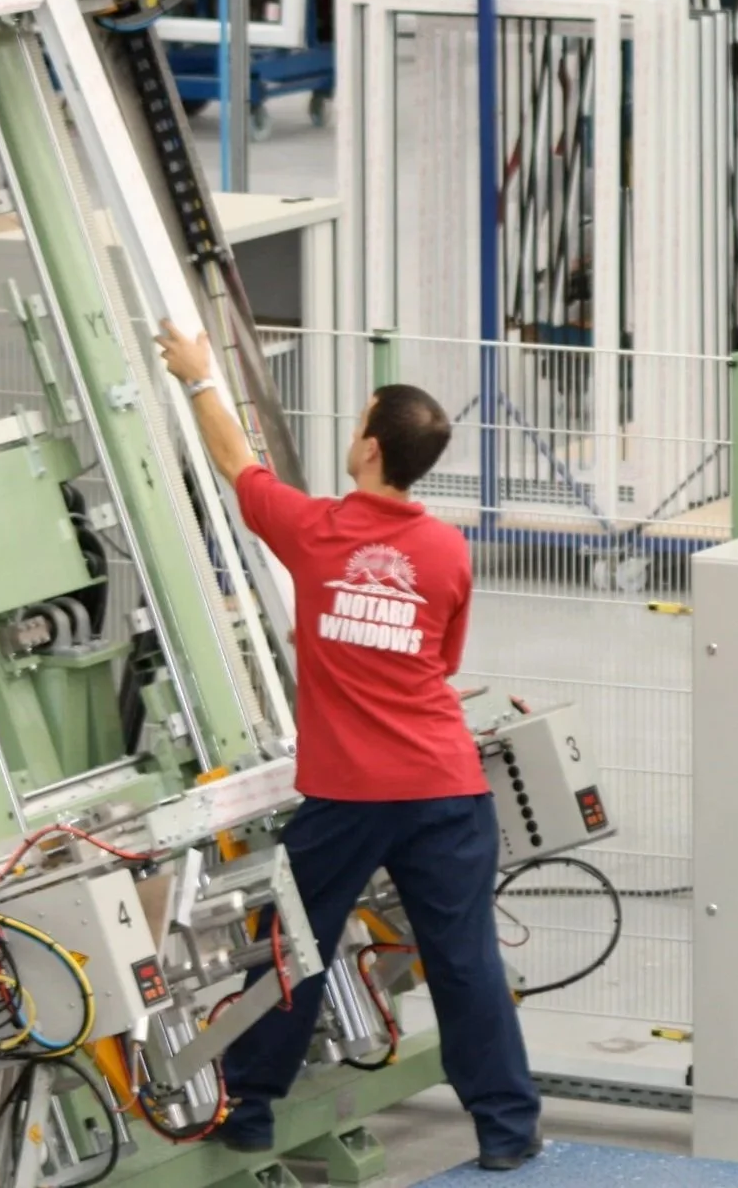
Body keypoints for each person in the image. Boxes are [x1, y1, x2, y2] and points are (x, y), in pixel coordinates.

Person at [154, 322, 542, 1170]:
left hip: (349, 795)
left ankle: (251, 1107)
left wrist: (198, 373)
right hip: (446, 787)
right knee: (465, 960)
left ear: (368, 450)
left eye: (356, 422)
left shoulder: (317, 531)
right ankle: (509, 1132)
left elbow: (233, 461)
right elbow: (440, 661)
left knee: (292, 944)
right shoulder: (446, 549)